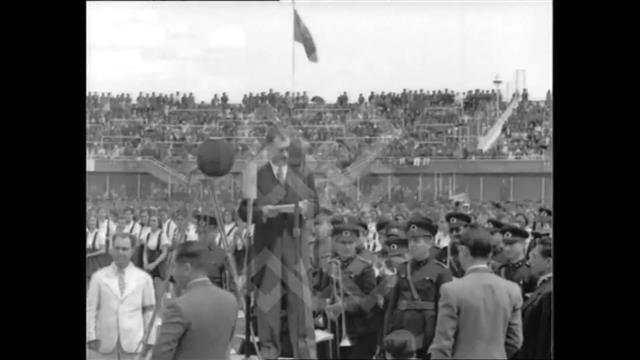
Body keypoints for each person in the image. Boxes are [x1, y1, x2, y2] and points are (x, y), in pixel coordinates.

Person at [238, 126, 319, 359]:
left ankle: (306, 355)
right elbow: (243, 211)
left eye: (288, 150)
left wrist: (306, 209)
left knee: (301, 309)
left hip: (296, 245)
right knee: (268, 308)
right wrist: (263, 211)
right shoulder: (254, 175)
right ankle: (268, 353)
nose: (285, 155)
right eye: (281, 149)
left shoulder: (303, 174)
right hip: (268, 247)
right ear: (268, 148)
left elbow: (317, 206)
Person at [429, 225, 523, 359]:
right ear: (490, 254)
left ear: (463, 251)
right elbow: (515, 341)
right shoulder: (512, 290)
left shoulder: (452, 290)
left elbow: (443, 344)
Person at [151, 242, 239, 360]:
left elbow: (161, 355)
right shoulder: (230, 301)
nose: (172, 273)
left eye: (173, 267)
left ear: (187, 268)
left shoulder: (179, 307)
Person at [381, 215, 453, 359]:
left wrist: (440, 343)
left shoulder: (441, 271)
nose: (412, 245)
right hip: (400, 334)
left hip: (426, 335)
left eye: (417, 241)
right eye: (410, 241)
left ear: (430, 241)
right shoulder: (402, 268)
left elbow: (444, 311)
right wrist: (386, 336)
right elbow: (392, 306)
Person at [315, 216, 378, 360]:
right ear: (335, 243)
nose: (347, 247)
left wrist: (344, 306)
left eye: (351, 243)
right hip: (332, 327)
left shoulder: (365, 267)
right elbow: (320, 293)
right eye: (342, 242)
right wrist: (325, 307)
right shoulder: (327, 265)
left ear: (356, 243)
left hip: (358, 329)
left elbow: (370, 300)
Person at [87, 233, 156, 360]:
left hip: (134, 342)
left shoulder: (144, 278)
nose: (120, 252)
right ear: (111, 250)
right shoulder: (98, 277)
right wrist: (90, 336)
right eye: (117, 248)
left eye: (124, 249)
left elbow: (149, 312)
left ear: (132, 251)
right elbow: (90, 309)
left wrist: (150, 340)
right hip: (103, 343)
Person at [517, 237, 552, 359]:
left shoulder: (548, 294)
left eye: (534, 257)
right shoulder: (544, 288)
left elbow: (543, 342)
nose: (529, 261)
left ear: (548, 262)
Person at [497, 226, 538, 296]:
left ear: (523, 244)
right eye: (505, 244)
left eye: (511, 244)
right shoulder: (501, 269)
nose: (507, 248)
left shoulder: (531, 271)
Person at [143, 214, 171, 302]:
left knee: (158, 294)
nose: (152, 222)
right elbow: (145, 251)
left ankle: (159, 313)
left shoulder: (162, 234)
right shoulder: (148, 235)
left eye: (154, 221)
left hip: (158, 265)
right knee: (148, 293)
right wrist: (145, 263)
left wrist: (154, 264)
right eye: (151, 220)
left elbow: (164, 253)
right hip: (149, 263)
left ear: (158, 223)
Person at [87, 213, 107, 286]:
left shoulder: (100, 234)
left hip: (96, 261)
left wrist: (90, 254)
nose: (92, 222)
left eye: (94, 220)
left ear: (96, 222)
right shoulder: (87, 233)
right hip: (87, 260)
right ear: (88, 222)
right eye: (90, 220)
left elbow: (103, 250)